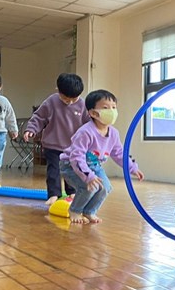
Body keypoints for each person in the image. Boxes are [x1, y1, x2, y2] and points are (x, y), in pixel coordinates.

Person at [59, 89, 143, 224]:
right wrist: (88, 176)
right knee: (89, 187)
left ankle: (89, 211)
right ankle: (75, 210)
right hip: (71, 165)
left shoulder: (113, 133)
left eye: (114, 107)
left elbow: (119, 153)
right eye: (106, 108)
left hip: (94, 165)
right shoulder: (85, 132)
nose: (112, 111)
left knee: (105, 187)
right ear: (93, 113)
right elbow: (77, 157)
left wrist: (132, 168)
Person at [23, 73, 90, 205]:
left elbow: (89, 124)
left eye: (74, 99)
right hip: (52, 145)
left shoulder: (83, 105)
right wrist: (31, 129)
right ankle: (54, 194)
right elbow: (39, 117)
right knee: (53, 171)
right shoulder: (51, 101)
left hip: (73, 148)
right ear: (58, 90)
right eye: (66, 99)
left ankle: (72, 192)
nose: (70, 102)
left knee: (72, 171)